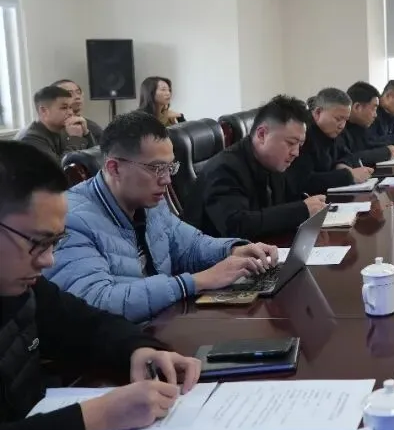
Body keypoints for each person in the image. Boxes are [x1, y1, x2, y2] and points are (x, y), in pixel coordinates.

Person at [0, 141, 203, 430]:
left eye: (55, 242)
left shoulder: (22, 287)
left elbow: (87, 324)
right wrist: (101, 415)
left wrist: (139, 349)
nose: (48, 260)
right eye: (37, 242)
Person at [45, 111, 279, 322]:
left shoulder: (149, 202)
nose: (167, 180)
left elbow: (190, 246)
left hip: (161, 324)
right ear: (114, 168)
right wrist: (195, 282)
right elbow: (96, 301)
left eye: (170, 167)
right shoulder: (70, 220)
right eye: (156, 168)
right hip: (115, 346)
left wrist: (233, 250)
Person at [184, 95, 326, 241]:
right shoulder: (224, 169)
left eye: (300, 145)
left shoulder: (273, 162)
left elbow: (283, 203)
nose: (296, 152)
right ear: (262, 134)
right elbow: (236, 226)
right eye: (291, 143)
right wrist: (301, 210)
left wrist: (309, 205)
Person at [288, 88, 374, 193]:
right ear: (318, 113)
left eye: (345, 120)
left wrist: (341, 164)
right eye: (338, 119)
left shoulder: (334, 131)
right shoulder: (303, 135)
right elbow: (304, 181)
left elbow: (348, 154)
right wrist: (348, 175)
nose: (342, 125)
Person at [16, 85, 91, 162]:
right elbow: (59, 167)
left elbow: (95, 157)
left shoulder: (63, 128)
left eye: (71, 107)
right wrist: (75, 139)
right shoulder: (30, 139)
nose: (70, 112)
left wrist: (86, 133)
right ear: (43, 111)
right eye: (64, 108)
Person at [343, 81, 394, 167]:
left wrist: (390, 148)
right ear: (357, 107)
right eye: (374, 109)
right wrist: (387, 152)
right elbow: (349, 158)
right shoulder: (339, 127)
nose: (376, 115)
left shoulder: (359, 126)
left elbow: (369, 145)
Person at [52, 79, 103, 146]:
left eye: (78, 92)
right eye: (70, 93)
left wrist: (87, 135)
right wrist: (75, 138)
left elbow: (103, 151)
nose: (77, 97)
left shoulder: (92, 127)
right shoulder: (50, 130)